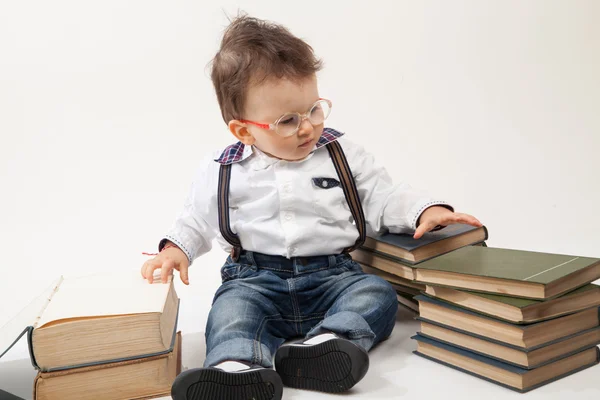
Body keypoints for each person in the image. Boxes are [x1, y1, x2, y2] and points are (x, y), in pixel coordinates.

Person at [141, 15, 482, 400]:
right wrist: (175, 249)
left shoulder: (341, 154)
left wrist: (424, 210)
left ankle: (328, 342)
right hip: (255, 279)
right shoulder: (222, 169)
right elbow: (197, 218)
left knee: (376, 294)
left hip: (333, 276)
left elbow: (382, 195)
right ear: (243, 130)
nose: (307, 128)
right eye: (287, 120)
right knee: (231, 313)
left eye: (314, 110)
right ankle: (237, 367)